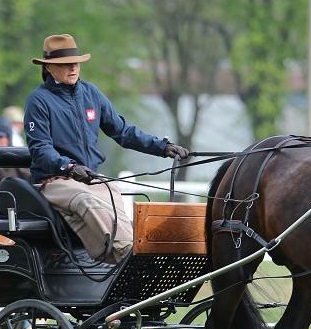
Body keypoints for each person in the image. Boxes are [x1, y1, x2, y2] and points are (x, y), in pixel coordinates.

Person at [24, 33, 188, 263]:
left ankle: (135, 252)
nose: (73, 67)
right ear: (49, 67)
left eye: (76, 62)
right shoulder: (38, 100)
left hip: (89, 178)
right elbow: (40, 149)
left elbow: (123, 132)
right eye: (64, 64)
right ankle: (129, 259)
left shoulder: (91, 93)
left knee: (112, 191)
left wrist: (162, 147)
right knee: (86, 200)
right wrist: (69, 167)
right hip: (54, 181)